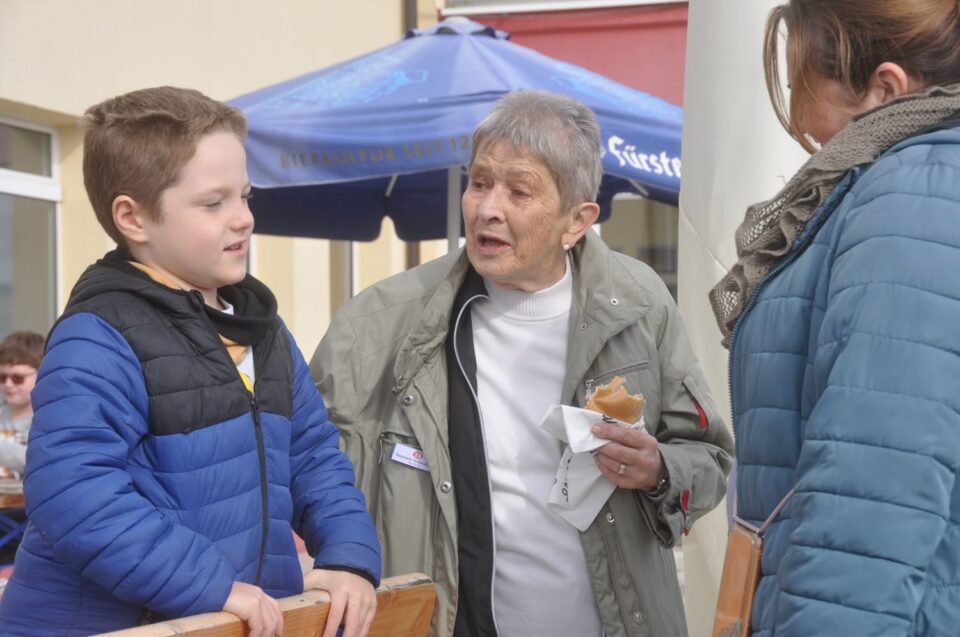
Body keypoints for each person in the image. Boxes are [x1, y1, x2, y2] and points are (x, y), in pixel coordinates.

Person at [312, 90, 733, 637]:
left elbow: (709, 459)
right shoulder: (377, 323)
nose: (488, 208)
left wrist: (658, 470)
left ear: (576, 220)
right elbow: (303, 463)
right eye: (480, 182)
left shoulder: (639, 303)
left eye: (520, 191)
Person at [0, 87, 380, 637]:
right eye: (214, 202)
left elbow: (315, 458)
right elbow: (74, 495)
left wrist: (347, 555)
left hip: (225, 621)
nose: (244, 218)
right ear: (133, 218)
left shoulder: (263, 330)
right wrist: (210, 586)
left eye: (245, 196)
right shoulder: (99, 335)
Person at [710, 2, 960, 635]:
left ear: (886, 89)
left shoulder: (913, 189)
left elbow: (871, 504)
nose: (802, 121)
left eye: (804, 86)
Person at [0, 331, 44, 478]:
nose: (8, 384)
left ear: (40, 375)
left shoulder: (45, 420)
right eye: (2, 377)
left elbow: (38, 460)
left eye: (18, 378)